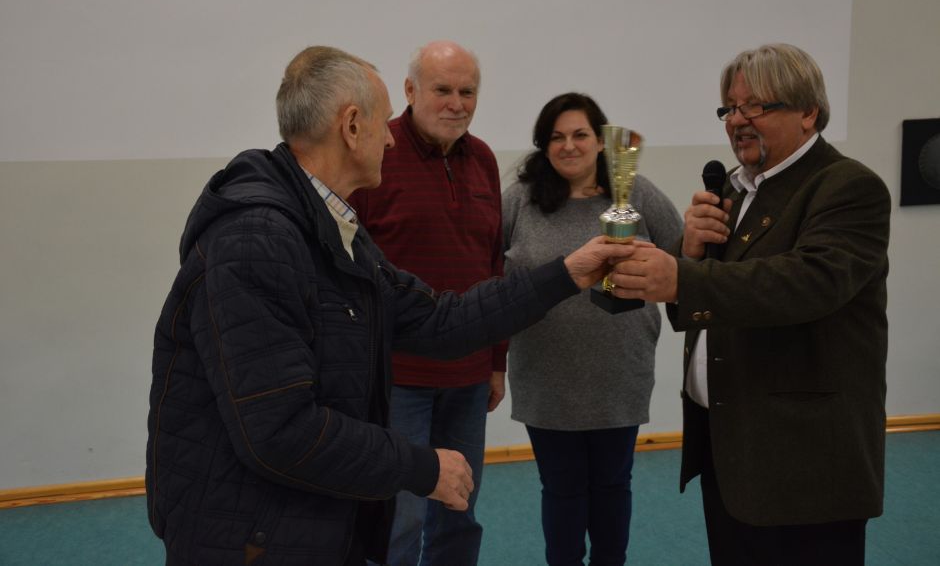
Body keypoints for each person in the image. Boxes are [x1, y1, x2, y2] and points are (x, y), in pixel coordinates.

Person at [145, 45, 640, 566]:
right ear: (351, 126)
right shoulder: (256, 241)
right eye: (383, 123)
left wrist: (568, 272)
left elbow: (438, 319)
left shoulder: (330, 226)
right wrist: (420, 467)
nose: (389, 137)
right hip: (247, 529)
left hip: (296, 516)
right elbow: (280, 430)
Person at [608, 43, 890, 565]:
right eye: (730, 108)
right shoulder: (737, 191)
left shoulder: (849, 187)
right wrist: (691, 250)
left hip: (805, 461)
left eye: (756, 105)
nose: (738, 120)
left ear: (809, 112)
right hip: (732, 447)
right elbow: (708, 301)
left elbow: (807, 284)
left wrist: (683, 276)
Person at [501, 92, 682, 566]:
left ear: (601, 141)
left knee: (612, 485)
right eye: (556, 137)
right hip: (546, 375)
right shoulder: (519, 200)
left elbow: (681, 257)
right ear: (544, 145)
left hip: (619, 372)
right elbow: (490, 280)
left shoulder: (636, 193)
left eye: (580, 134)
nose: (569, 146)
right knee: (560, 488)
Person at [347, 40, 503, 566]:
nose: (456, 103)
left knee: (460, 508)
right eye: (442, 90)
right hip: (398, 377)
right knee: (399, 515)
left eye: (467, 92)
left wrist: (496, 361)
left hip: (469, 375)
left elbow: (493, 264)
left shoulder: (484, 160)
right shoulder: (377, 154)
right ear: (410, 91)